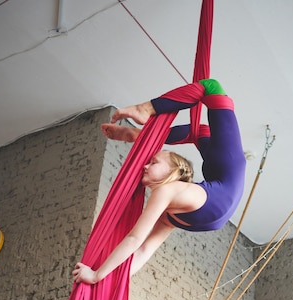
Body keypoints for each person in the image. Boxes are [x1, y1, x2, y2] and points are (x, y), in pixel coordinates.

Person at [72, 79, 246, 284]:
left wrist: (98, 276)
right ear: (173, 169)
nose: (145, 166)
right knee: (211, 89)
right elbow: (143, 248)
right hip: (228, 171)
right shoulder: (171, 195)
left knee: (201, 129)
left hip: (217, 198)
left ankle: (140, 128)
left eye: (152, 161)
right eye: (153, 160)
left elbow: (137, 242)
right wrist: (102, 279)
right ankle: (142, 123)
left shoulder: (169, 199)